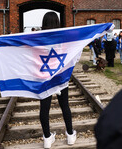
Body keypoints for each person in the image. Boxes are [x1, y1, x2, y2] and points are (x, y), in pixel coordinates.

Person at [39, 12, 76, 148]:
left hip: (45, 77)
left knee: (44, 108)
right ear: (57, 22)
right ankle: (71, 135)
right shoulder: (63, 37)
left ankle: (47, 138)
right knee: (65, 105)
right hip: (60, 77)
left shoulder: (38, 38)